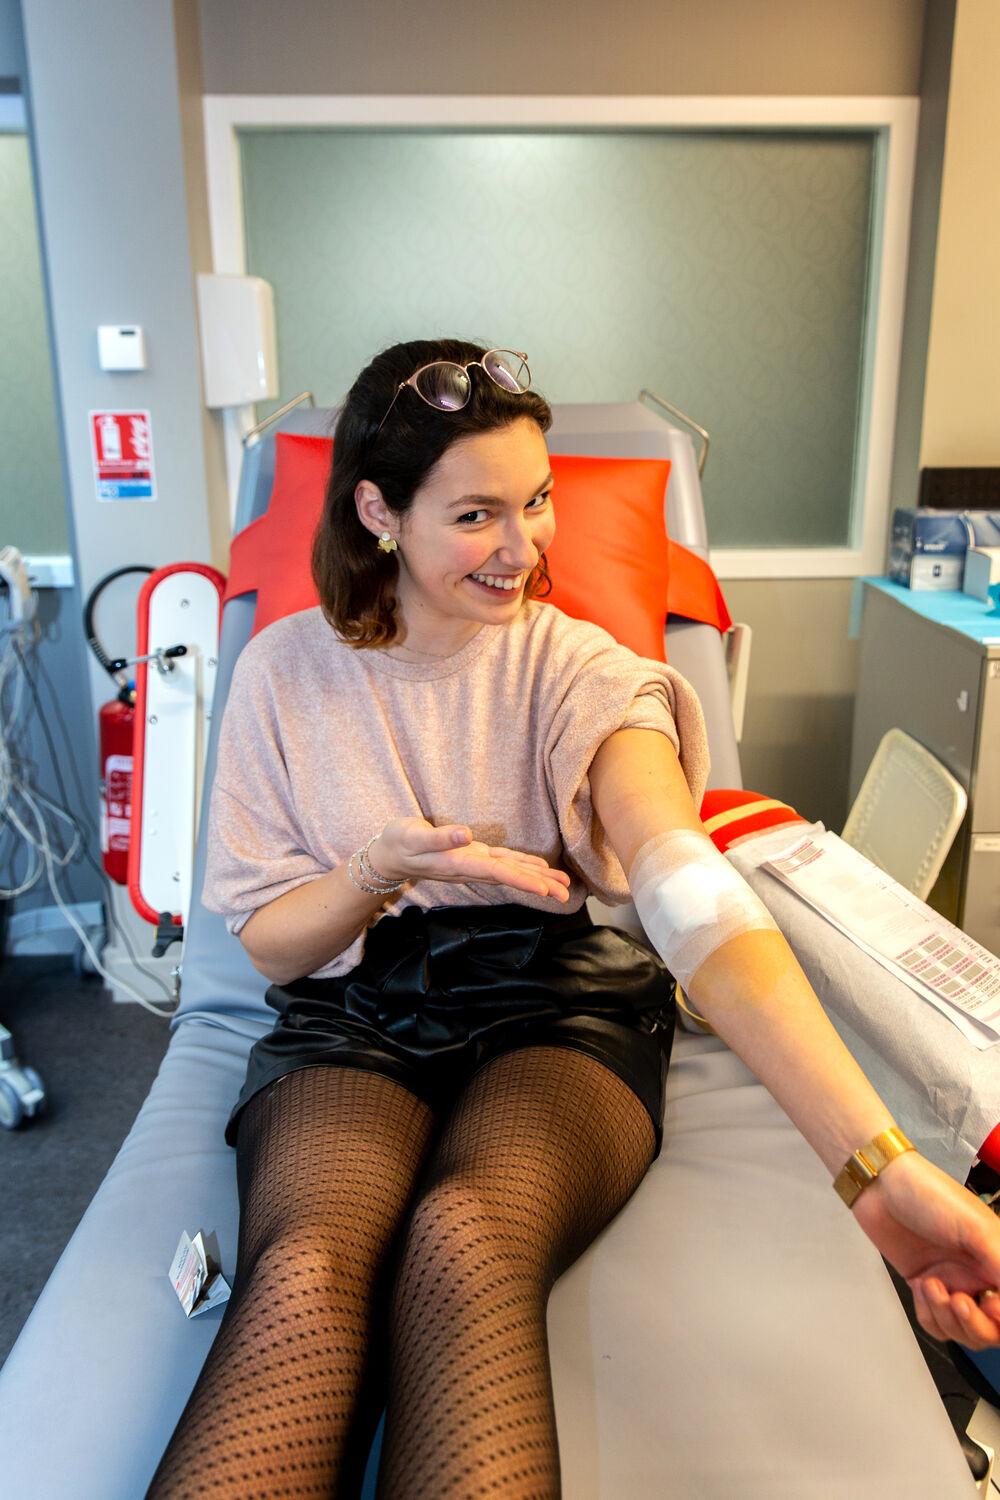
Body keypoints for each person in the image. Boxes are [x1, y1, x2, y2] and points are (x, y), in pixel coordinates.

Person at [146, 339, 1000, 1500]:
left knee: (462, 1239)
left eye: (538, 501)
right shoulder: (283, 672)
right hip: (355, 1009)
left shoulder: (582, 670)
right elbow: (269, 945)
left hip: (555, 1006)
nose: (524, 547)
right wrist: (374, 869)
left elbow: (682, 883)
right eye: (476, 515)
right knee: (297, 1268)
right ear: (378, 512)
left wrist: (875, 1171)